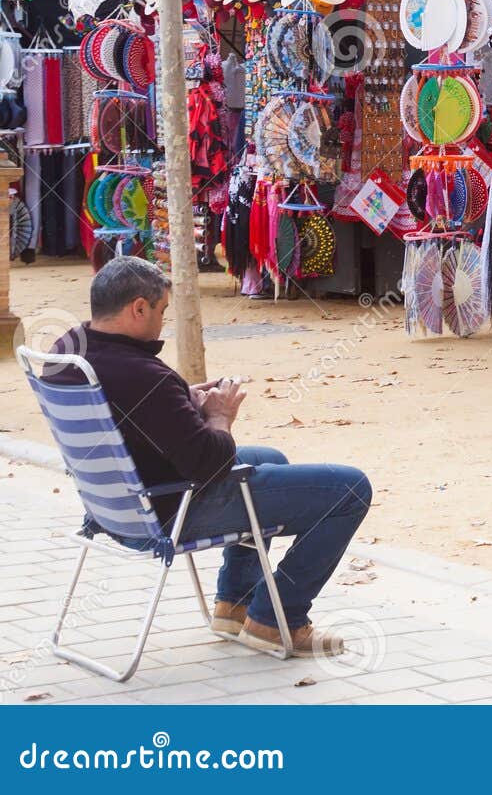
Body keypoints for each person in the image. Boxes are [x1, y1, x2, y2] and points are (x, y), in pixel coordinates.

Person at [55, 256, 371, 657]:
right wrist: (219, 414)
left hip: (113, 506)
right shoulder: (145, 375)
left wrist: (180, 400)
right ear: (138, 307)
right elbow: (211, 463)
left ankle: (235, 604)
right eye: (161, 310)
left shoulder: (68, 352)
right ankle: (278, 620)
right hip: (171, 509)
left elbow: (130, 411)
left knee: (271, 455)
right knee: (351, 489)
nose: (162, 321)